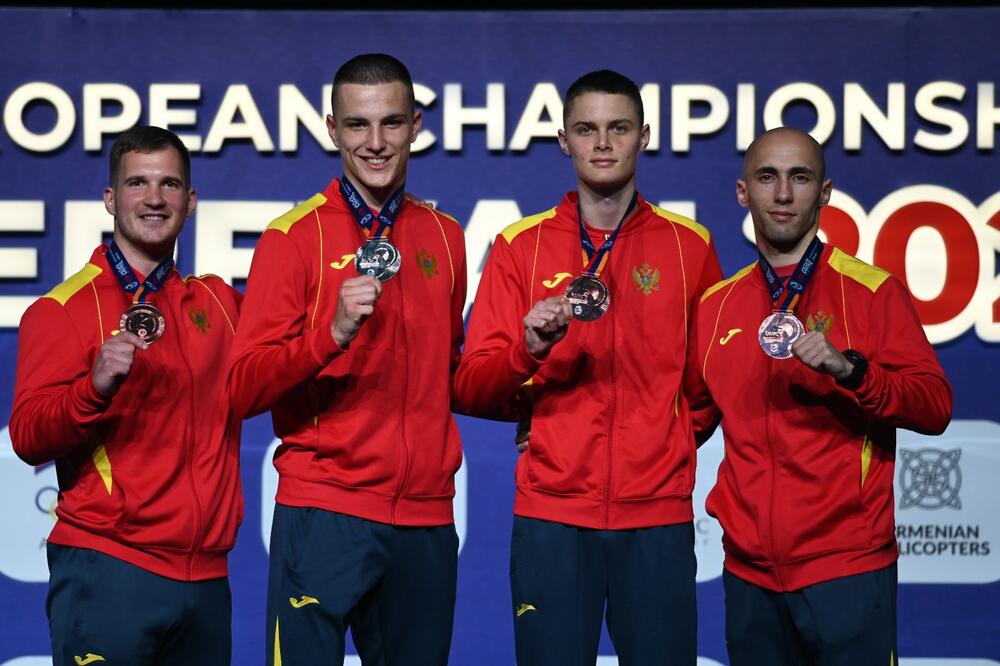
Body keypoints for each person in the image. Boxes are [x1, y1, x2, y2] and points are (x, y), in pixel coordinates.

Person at [453, 70, 722, 666]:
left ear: (644, 136)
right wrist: (528, 350)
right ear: (564, 141)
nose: (603, 142)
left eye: (618, 128)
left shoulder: (690, 246)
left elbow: (706, 389)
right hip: (553, 520)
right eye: (587, 129)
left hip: (656, 519)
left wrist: (666, 441)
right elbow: (471, 386)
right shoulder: (519, 246)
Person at [227, 53, 467, 666]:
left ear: (416, 125)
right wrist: (327, 334)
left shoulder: (446, 237)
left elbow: (451, 372)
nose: (377, 142)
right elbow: (241, 386)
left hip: (424, 516)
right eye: (358, 125)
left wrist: (528, 382)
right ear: (332, 130)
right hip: (324, 509)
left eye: (391, 123)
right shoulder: (292, 237)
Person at [685, 126, 953, 666]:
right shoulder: (716, 306)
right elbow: (684, 421)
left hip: (848, 571)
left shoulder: (872, 291)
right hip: (749, 577)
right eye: (767, 177)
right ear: (743, 193)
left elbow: (934, 406)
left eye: (799, 177)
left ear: (824, 192)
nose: (783, 194)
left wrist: (851, 372)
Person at [10, 125, 243, 665]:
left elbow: (288, 354)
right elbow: (26, 437)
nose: (155, 198)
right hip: (109, 568)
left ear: (191, 202)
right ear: (111, 199)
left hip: (206, 579)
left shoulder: (221, 305)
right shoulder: (62, 310)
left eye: (170, 184)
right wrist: (90, 391)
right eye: (138, 183)